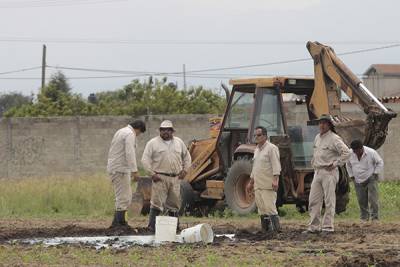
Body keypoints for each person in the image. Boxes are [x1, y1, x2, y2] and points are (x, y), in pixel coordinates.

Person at [142, 120, 191, 233]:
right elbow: (145, 160)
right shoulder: (152, 143)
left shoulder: (179, 142)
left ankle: (175, 227)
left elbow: (187, 157)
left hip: (175, 178)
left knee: (174, 204)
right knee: (156, 203)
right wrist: (152, 174)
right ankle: (152, 227)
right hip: (160, 178)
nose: (165, 132)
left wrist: (185, 170)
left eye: (168, 130)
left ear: (172, 131)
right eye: (163, 130)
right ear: (160, 131)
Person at [304, 114, 351, 233]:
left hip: (329, 172)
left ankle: (328, 226)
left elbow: (346, 152)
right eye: (320, 123)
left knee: (329, 200)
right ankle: (313, 227)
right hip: (318, 171)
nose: (322, 125)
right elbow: (316, 153)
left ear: (329, 125)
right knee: (314, 200)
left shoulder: (334, 138)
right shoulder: (317, 137)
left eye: (324, 123)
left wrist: (336, 164)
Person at [107, 120, 146, 228]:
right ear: (138, 129)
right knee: (124, 197)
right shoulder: (130, 134)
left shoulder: (121, 131)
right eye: (139, 133)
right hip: (121, 169)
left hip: (116, 168)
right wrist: (135, 171)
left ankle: (116, 223)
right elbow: (129, 152)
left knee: (122, 197)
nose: (137, 135)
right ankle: (121, 223)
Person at [246, 126, 282, 232]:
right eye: (255, 135)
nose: (256, 137)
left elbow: (276, 165)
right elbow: (255, 167)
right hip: (258, 184)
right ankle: (265, 231)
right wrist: (251, 182)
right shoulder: (256, 150)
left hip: (268, 184)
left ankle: (276, 231)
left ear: (265, 136)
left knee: (270, 208)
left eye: (259, 135)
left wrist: (275, 180)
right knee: (261, 209)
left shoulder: (272, 148)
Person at [346, 139, 383, 221]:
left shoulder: (371, 152)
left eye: (357, 150)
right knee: (361, 200)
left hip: (370, 178)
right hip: (357, 179)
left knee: (373, 199)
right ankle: (364, 218)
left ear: (361, 148)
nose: (355, 153)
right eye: (354, 151)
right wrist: (351, 176)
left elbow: (380, 162)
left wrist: (375, 173)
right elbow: (348, 165)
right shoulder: (350, 153)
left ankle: (375, 218)